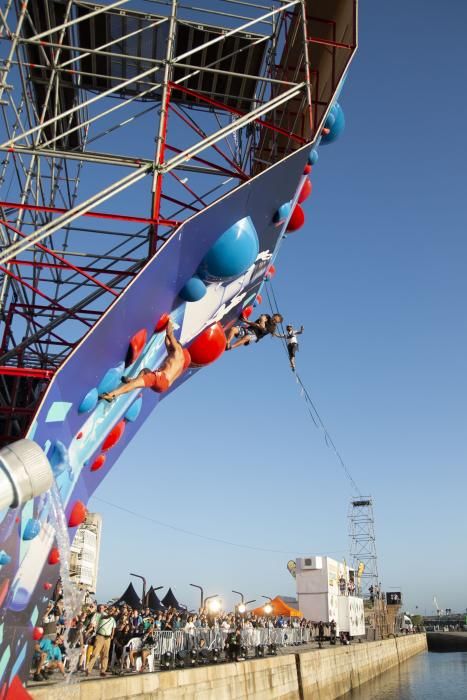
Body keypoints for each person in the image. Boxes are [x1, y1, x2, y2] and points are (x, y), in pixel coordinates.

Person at [99, 320, 191, 400]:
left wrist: (170, 323)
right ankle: (132, 379)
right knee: (145, 370)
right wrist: (168, 336)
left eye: (172, 347)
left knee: (134, 385)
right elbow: (167, 341)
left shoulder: (178, 350)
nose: (169, 348)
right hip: (163, 386)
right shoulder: (178, 361)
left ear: (178, 346)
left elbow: (170, 335)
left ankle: (112, 395)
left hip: (160, 378)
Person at [85, 605, 116, 677]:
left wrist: (112, 635)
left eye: (112, 610)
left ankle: (103, 670)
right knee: (95, 653)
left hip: (107, 638)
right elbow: (106, 617)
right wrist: (111, 613)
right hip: (100, 636)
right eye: (110, 610)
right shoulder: (102, 615)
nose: (111, 611)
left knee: (105, 655)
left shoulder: (113, 619)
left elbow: (113, 627)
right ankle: (88, 669)